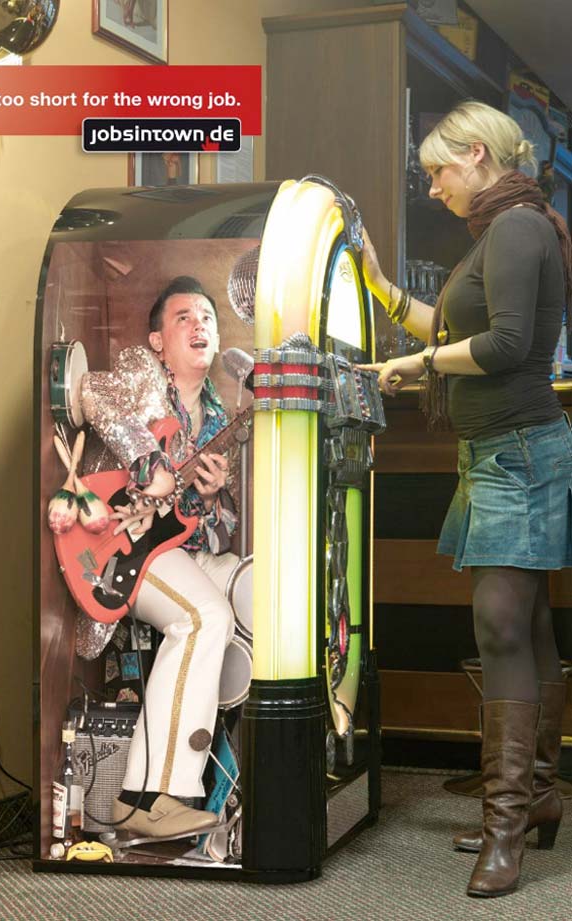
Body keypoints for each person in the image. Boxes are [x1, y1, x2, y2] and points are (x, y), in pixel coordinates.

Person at [361, 101, 572, 899]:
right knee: (529, 624)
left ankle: (506, 827)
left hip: (517, 453)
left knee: (501, 627)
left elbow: (507, 345)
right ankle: (537, 794)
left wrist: (421, 366)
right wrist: (385, 291)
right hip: (497, 451)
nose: (433, 186)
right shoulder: (505, 229)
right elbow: (451, 330)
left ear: (477, 154)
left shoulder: (515, 227)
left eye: (438, 170)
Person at [81, 276, 239, 838]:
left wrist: (213, 499)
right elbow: (92, 392)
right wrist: (149, 460)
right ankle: (150, 795)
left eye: (208, 318)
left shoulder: (219, 419)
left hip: (176, 550)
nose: (200, 326)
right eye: (184, 317)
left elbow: (215, 533)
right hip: (119, 548)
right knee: (203, 616)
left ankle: (230, 777)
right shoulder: (141, 373)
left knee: (265, 591)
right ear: (157, 340)